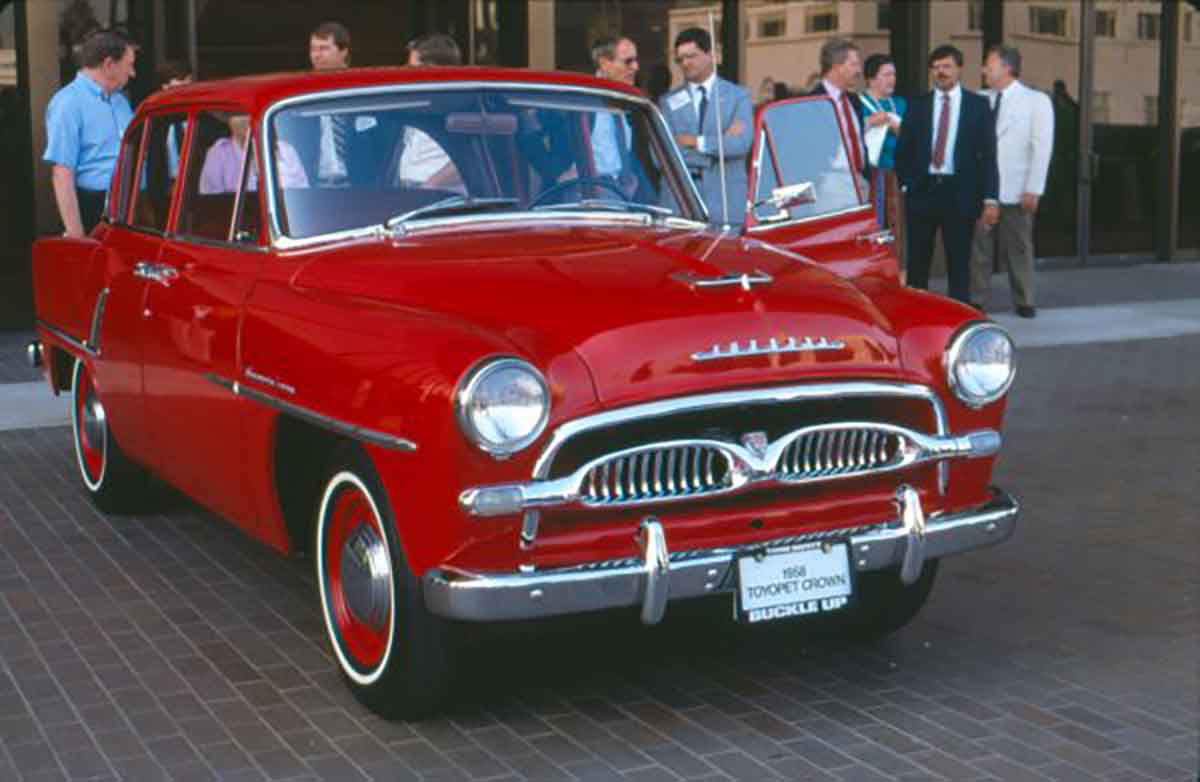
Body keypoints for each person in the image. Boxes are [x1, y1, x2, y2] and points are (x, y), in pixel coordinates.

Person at [894, 44, 999, 304]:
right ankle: (916, 317)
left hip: (960, 192)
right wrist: (907, 184)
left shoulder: (978, 105)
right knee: (918, 261)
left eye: (947, 66)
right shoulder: (917, 105)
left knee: (959, 262)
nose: (941, 72)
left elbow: (989, 155)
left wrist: (990, 197)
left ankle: (957, 318)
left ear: (959, 69)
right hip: (923, 191)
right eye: (936, 67)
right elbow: (903, 150)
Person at [970, 45, 1054, 318]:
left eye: (989, 64)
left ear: (1006, 68)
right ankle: (976, 300)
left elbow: (1041, 147)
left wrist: (1034, 188)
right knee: (979, 248)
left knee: (1018, 246)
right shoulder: (979, 99)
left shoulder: (1035, 101)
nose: (984, 70)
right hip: (984, 188)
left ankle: (1025, 300)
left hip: (1017, 189)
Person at [42, 29, 136, 237]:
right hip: (92, 208)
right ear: (109, 65)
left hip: (129, 207)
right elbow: (62, 173)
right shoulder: (68, 103)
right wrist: (76, 234)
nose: (133, 73)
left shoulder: (121, 101)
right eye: (129, 65)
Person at [658, 27, 752, 226]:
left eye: (691, 56)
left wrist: (694, 142)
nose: (685, 63)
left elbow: (740, 145)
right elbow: (660, 155)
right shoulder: (667, 102)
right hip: (679, 205)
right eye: (680, 59)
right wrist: (718, 149)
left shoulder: (738, 97)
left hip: (726, 204)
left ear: (710, 55)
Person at [397, 34, 463, 191]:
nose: (407, 73)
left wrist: (430, 185)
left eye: (413, 68)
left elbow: (469, 159)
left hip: (442, 196)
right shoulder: (416, 102)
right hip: (409, 190)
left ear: (435, 68)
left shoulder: (460, 105)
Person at [809, 39, 870, 182]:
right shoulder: (811, 103)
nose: (859, 71)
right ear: (836, 67)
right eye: (854, 64)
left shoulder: (854, 100)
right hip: (828, 183)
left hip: (859, 181)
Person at [199, 114, 308, 194]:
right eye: (239, 114)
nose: (246, 120)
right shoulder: (218, 154)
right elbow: (211, 203)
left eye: (251, 114)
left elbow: (303, 196)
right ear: (229, 121)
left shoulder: (286, 151)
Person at [308, 21, 352, 185]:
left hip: (357, 183)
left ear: (343, 51)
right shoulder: (303, 89)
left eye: (324, 48)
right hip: (314, 182)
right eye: (313, 49)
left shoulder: (359, 88)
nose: (316, 55)